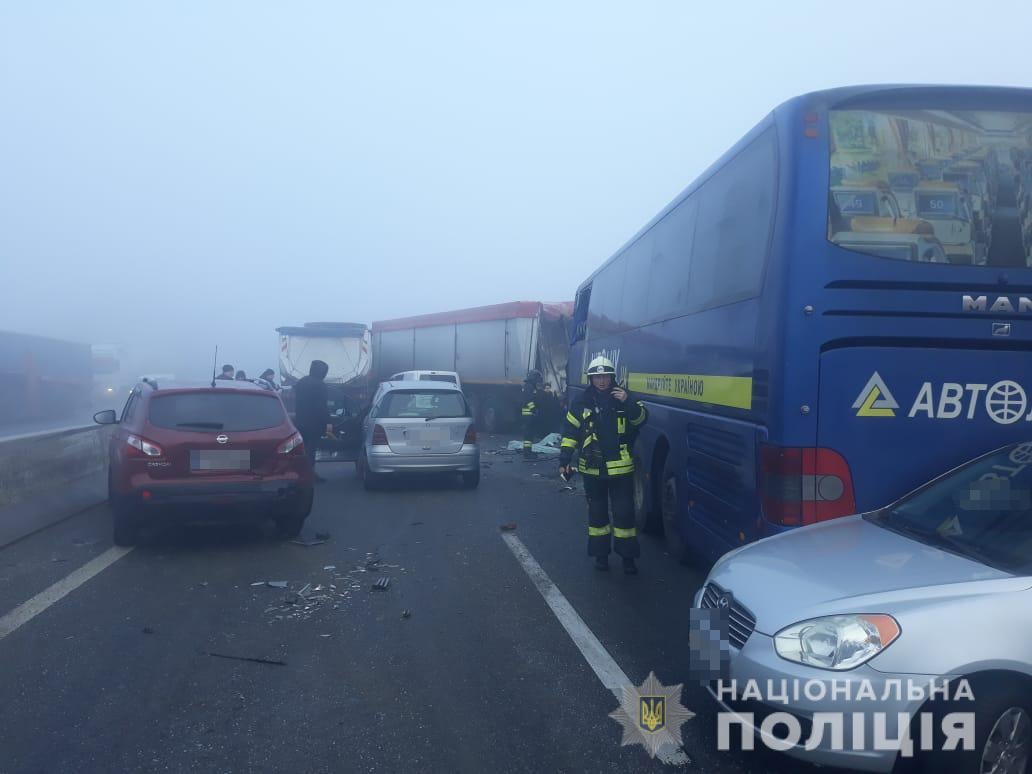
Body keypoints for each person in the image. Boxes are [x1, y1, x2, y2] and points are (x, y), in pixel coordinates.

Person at [559, 356, 648, 574]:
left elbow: (641, 420)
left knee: (624, 515)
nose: (601, 381)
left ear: (611, 377)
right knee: (597, 516)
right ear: (591, 378)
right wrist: (564, 461)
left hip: (621, 470)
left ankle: (628, 559)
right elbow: (570, 433)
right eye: (597, 376)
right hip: (592, 469)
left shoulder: (623, 398)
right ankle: (601, 557)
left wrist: (628, 401)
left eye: (605, 376)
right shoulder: (581, 402)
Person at [293, 360, 331, 483]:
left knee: (301, 449)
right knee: (311, 450)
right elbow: (322, 407)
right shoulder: (320, 385)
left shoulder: (301, 382)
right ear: (322, 372)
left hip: (299, 421)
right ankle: (309, 474)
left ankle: (300, 473)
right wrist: (328, 424)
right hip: (314, 423)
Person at [520, 370, 543, 459]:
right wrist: (533, 409)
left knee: (529, 435)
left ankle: (528, 451)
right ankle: (527, 453)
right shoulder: (529, 387)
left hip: (529, 415)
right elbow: (529, 400)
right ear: (533, 377)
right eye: (536, 378)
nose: (537, 380)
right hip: (528, 414)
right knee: (528, 434)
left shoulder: (529, 386)